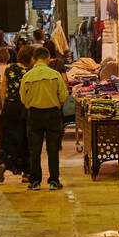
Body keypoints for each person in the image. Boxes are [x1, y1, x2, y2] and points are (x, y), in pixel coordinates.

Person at [20, 44, 69, 191]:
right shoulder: (55, 75)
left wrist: (32, 103)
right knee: (52, 150)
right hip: (52, 115)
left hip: (34, 115)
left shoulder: (27, 76)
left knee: (34, 150)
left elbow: (23, 98)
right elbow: (64, 96)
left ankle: (35, 182)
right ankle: (54, 181)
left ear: (34, 59)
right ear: (48, 59)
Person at [0, 43, 32, 183]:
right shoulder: (30, 71)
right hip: (24, 107)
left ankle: (4, 163)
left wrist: (4, 106)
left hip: (10, 107)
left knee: (8, 139)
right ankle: (26, 173)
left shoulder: (10, 68)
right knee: (25, 140)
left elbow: (2, 89)